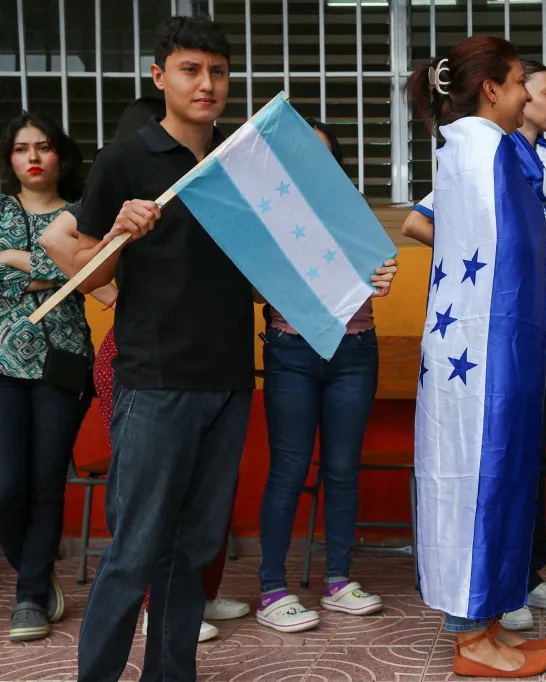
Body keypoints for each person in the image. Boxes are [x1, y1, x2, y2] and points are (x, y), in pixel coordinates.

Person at [72, 16, 255, 682]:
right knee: (136, 550)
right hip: (153, 382)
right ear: (160, 77)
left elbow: (268, 269)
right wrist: (119, 231)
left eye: (217, 71)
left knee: (197, 548)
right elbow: (90, 276)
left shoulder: (240, 158)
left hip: (232, 378)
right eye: (190, 70)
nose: (206, 84)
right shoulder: (126, 158)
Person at [400, 59, 546, 633]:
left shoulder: (535, 158)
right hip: (492, 326)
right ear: (500, 92)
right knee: (490, 456)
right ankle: (487, 604)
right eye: (537, 90)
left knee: (524, 453)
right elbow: (430, 223)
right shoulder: (485, 151)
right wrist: (502, 258)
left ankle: (515, 580)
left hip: (539, 314)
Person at [255, 118, 398, 633]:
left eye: (322, 155)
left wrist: (384, 275)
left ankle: (339, 580)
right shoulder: (268, 213)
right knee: (288, 470)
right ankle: (272, 587)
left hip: (354, 350)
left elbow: (378, 269)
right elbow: (253, 288)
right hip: (291, 348)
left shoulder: (351, 211)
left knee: (342, 469)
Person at [0, 111, 91, 642]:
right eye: (20, 148)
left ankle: (32, 592)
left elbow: (86, 269)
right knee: (7, 484)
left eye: (43, 146)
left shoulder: (83, 212)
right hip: (3, 362)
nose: (32, 157)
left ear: (61, 155)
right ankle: (32, 565)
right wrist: (44, 268)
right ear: (9, 158)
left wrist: (11, 260)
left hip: (63, 358)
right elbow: (62, 269)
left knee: (46, 483)